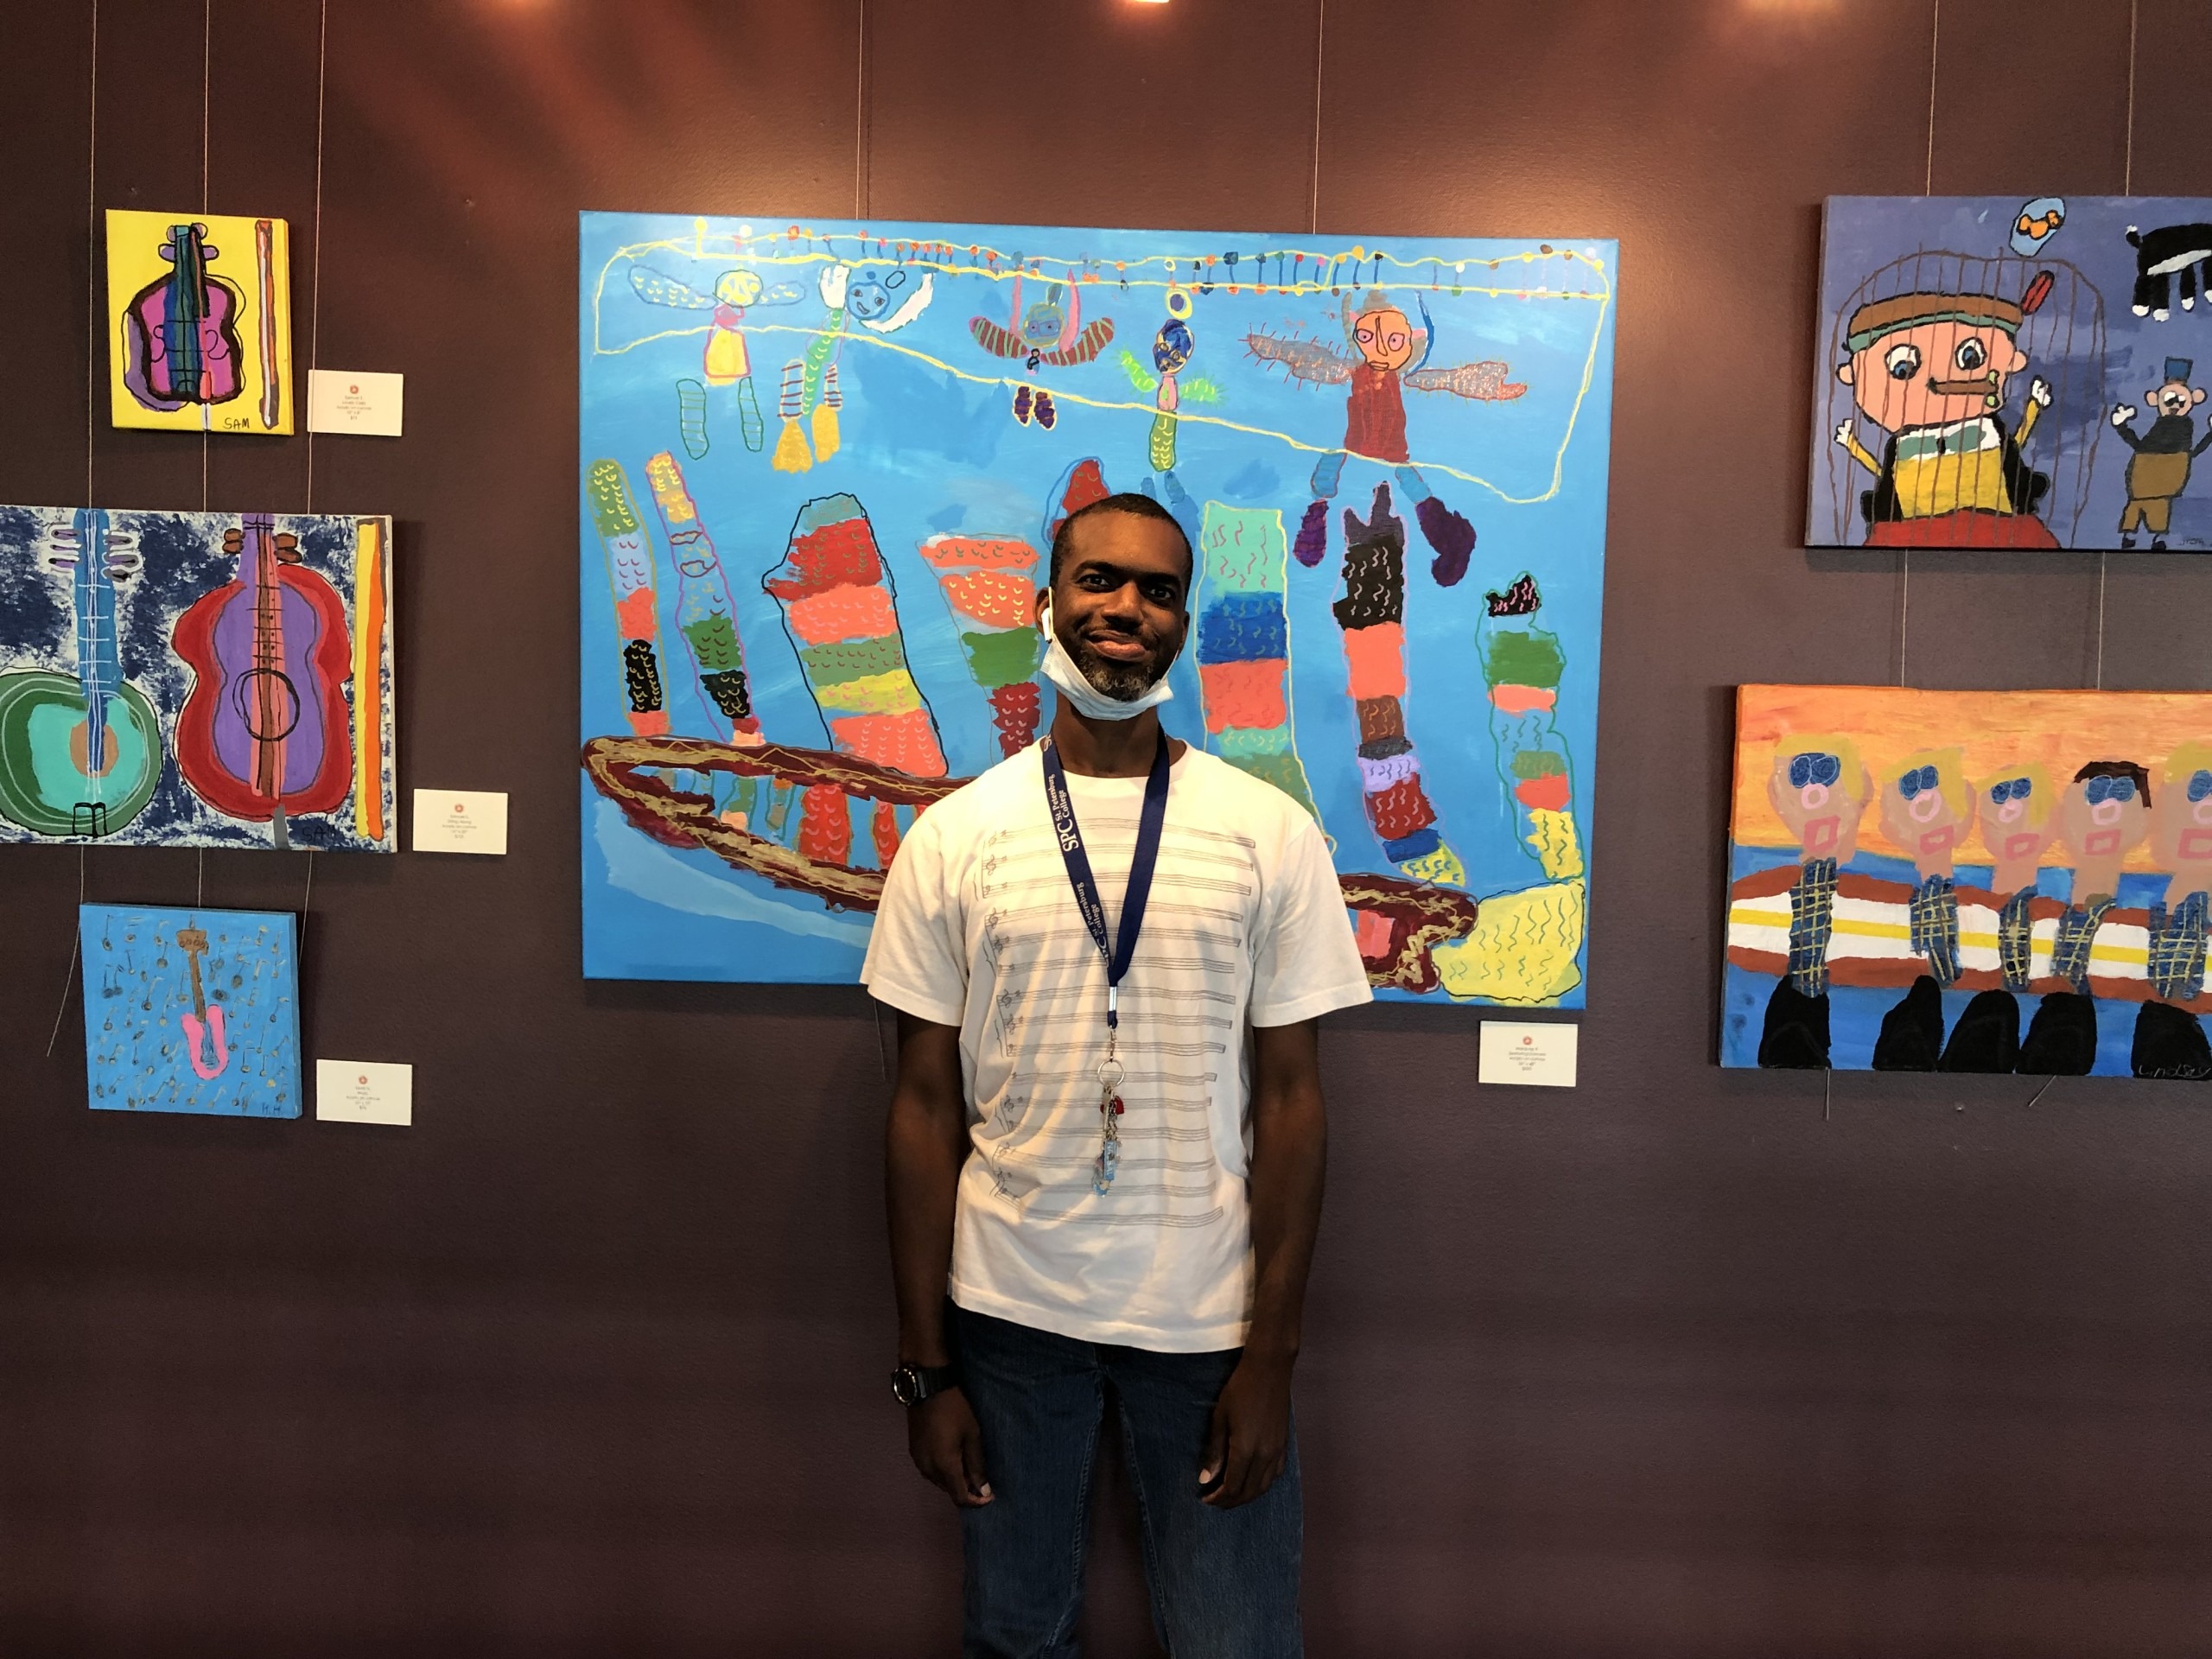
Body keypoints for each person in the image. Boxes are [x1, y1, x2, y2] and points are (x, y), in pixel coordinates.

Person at [865, 492, 1373, 1658]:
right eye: (1099, 579)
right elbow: (921, 1108)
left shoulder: (1267, 833)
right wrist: (924, 1368)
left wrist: (1274, 1357)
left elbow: (1294, 1103)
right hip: (1007, 1313)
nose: (1127, 608)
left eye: (1158, 590)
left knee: (1235, 1640)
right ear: (1046, 603)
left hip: (1207, 1313)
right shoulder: (955, 836)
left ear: (1182, 625)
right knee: (1015, 1634)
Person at [1831, 288, 2056, 547]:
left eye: (1970, 358)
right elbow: (1886, 476)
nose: (1939, 378)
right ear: (1852, 375)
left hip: (1998, 531)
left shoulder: (1989, 432)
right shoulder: (1904, 447)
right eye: (1903, 368)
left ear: (2012, 360)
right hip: (1914, 536)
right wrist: (1852, 445)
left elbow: (2014, 447)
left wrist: (2033, 407)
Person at [1758, 735, 1871, 1067]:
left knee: (1809, 948)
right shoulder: (1813, 828)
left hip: (1818, 879)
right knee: (1807, 948)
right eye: (1802, 773)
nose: (1813, 786)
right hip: (1814, 880)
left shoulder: (1836, 822)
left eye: (1823, 771)